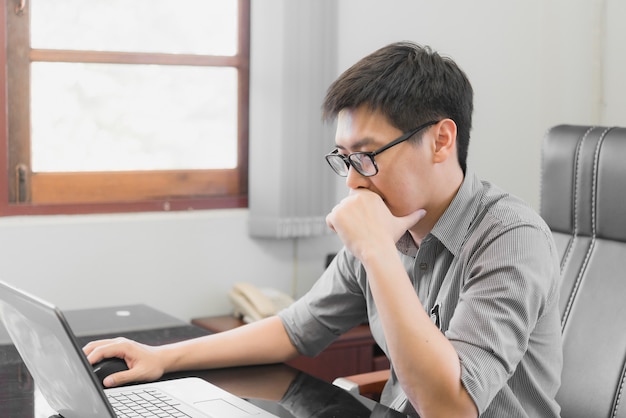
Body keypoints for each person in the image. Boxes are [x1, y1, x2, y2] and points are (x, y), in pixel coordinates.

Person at [84, 41, 563, 417]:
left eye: (367, 156)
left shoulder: (511, 238)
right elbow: (296, 330)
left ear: (441, 140)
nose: (353, 179)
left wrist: (376, 252)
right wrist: (165, 358)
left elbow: (449, 408)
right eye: (344, 157)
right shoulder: (385, 219)